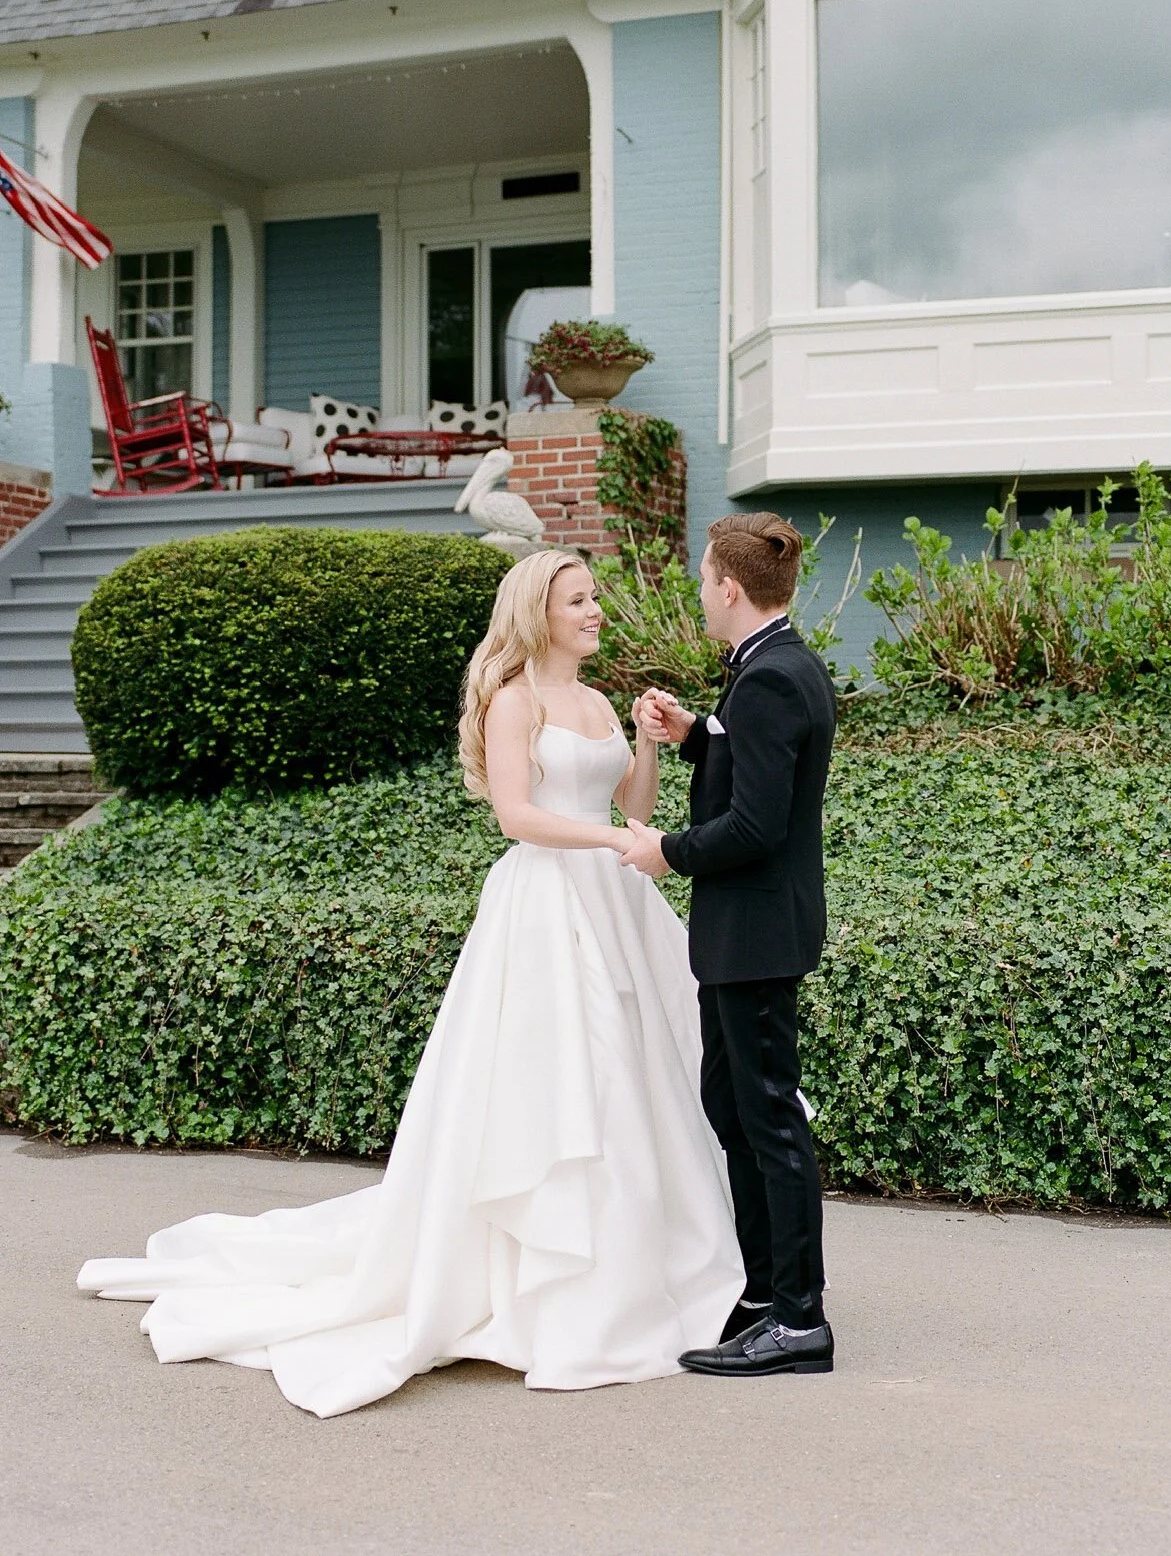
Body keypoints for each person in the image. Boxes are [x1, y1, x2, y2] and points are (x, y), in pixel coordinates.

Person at [77, 550, 743, 1417]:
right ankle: (552, 1270)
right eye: (578, 601)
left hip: (613, 902)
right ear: (538, 614)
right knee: (565, 1076)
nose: (595, 612)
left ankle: (641, 1261)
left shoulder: (596, 702)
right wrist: (611, 844)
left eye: (592, 599)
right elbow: (517, 814)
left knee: (634, 1077)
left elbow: (637, 810)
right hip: (547, 902)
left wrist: (650, 749)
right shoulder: (517, 702)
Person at [622, 512, 838, 1377]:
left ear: (730, 588)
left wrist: (665, 851)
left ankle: (799, 1317)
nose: (699, 593)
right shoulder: (774, 669)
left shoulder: (771, 680)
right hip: (747, 935)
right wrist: (699, 735)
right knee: (737, 1111)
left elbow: (755, 823)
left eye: (703, 579)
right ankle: (764, 1293)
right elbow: (755, 762)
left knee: (770, 1120)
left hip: (753, 934)